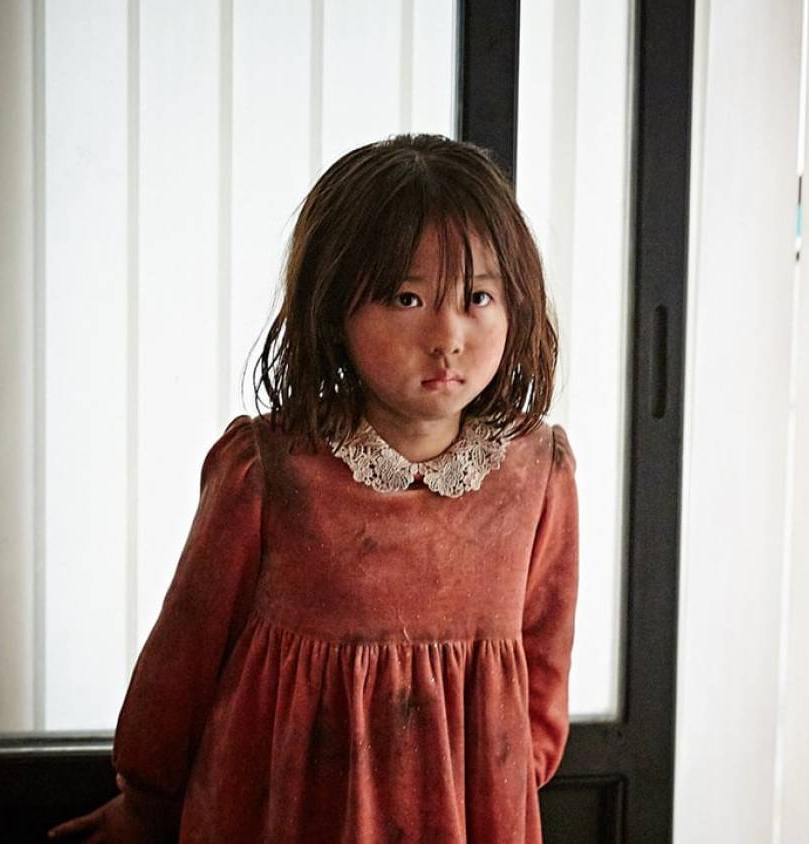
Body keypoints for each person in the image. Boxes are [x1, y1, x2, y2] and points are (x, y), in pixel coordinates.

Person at [47, 133, 579, 842]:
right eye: (407, 297)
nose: (448, 335)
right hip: (287, 810)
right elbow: (185, 654)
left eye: (478, 297)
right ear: (335, 310)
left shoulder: (536, 474)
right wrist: (144, 801)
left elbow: (543, 666)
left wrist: (493, 776)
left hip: (465, 813)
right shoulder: (271, 470)